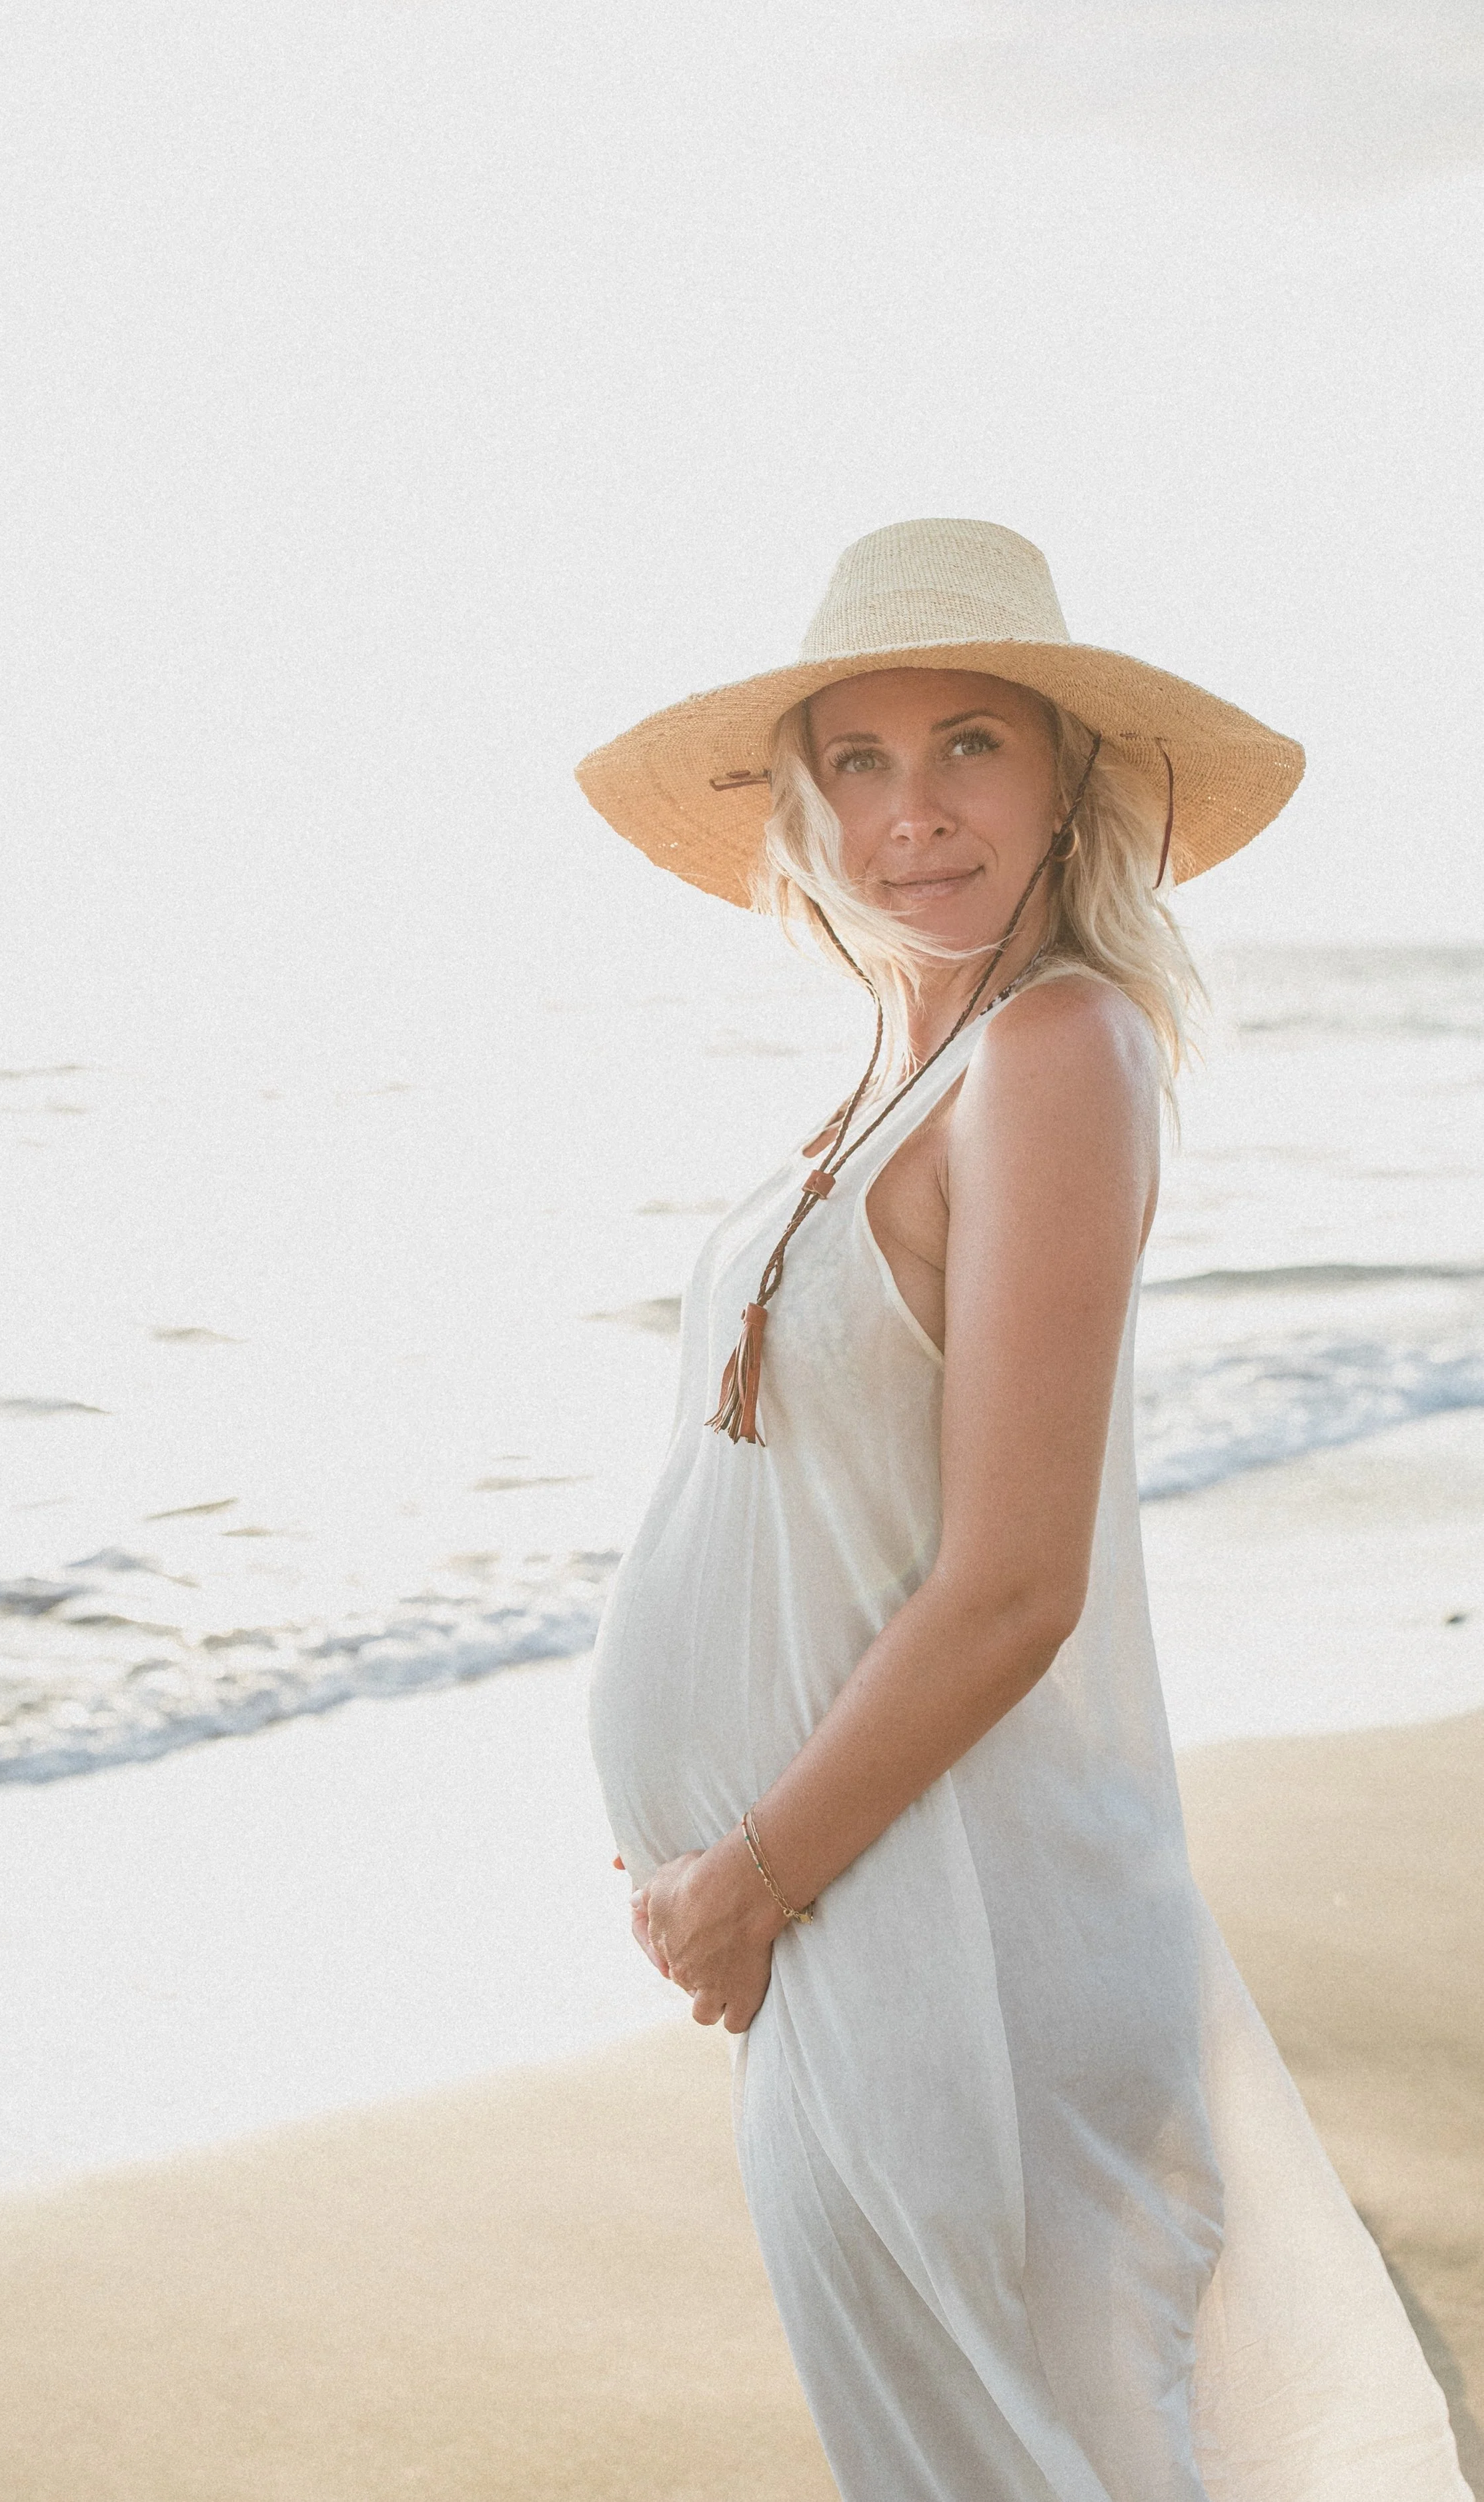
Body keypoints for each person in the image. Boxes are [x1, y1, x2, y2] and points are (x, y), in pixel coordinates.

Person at [574, 520, 1471, 2502]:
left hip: (939, 1931)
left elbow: (1009, 1588)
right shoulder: (903, 1073)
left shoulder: (1053, 1047)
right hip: (868, 1929)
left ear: (1066, 775)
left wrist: (747, 1880)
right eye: (862, 759)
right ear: (805, 799)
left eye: (970, 743)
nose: (915, 813)